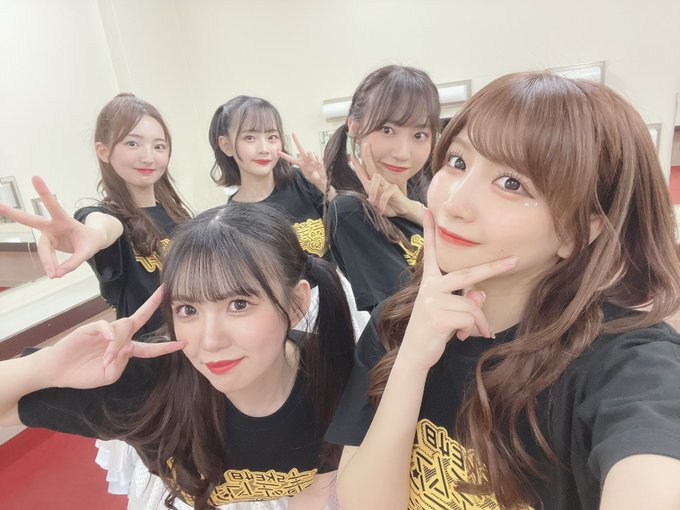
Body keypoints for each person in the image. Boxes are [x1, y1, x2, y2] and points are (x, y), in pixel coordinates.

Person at [325, 72, 680, 509]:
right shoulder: (397, 322)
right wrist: (411, 362)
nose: (454, 202)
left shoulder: (622, 361)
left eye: (512, 184)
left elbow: (653, 464)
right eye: (458, 162)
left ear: (579, 229)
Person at [0, 202, 356, 510]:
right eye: (188, 309)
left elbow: (324, 479)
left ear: (296, 303)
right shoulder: (150, 383)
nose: (210, 341)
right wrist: (46, 367)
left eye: (239, 304)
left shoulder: (337, 377)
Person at [0, 93, 192, 338]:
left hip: (195, 345)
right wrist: (93, 235)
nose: (148, 157)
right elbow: (102, 228)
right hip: (148, 355)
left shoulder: (177, 214)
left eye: (159, 146)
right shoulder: (107, 218)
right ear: (103, 151)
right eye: (132, 144)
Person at [323, 65, 440, 312]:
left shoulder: (427, 198)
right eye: (387, 130)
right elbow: (402, 313)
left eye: (419, 135)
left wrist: (413, 211)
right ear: (355, 127)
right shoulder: (351, 211)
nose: (402, 153)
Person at [208, 95, 328, 259]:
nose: (264, 149)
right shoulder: (232, 219)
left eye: (272, 137)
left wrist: (323, 183)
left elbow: (347, 228)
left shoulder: (303, 181)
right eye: (250, 138)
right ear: (226, 145)